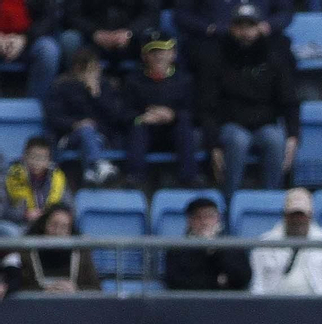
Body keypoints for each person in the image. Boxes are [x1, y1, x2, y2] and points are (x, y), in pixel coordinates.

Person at [198, 6, 299, 195]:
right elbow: (207, 105)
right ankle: (230, 200)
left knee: (276, 139)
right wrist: (213, 145)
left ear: (259, 27)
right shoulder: (216, 57)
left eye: (250, 25)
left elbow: (289, 99)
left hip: (265, 123)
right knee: (238, 140)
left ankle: (272, 200)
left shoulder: (274, 56)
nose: (245, 32)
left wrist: (293, 136)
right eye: (239, 26)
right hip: (230, 124)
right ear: (231, 27)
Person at [122, 31, 199, 188]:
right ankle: (135, 178)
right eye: (153, 52)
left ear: (173, 54)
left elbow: (195, 112)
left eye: (163, 51)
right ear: (144, 56)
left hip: (174, 131)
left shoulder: (185, 80)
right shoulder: (133, 81)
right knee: (137, 127)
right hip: (146, 132)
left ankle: (189, 178)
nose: (158, 56)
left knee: (184, 126)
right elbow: (123, 113)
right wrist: (142, 117)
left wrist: (172, 115)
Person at [44, 45, 122, 186]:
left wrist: (97, 96)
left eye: (95, 69)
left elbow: (115, 116)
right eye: (87, 70)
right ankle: (97, 164)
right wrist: (75, 124)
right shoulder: (61, 87)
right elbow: (54, 117)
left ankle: (90, 172)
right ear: (76, 69)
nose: (92, 74)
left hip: (102, 137)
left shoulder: (105, 87)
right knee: (86, 130)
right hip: (69, 136)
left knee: (90, 131)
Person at [248, 188, 322, 295]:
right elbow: (258, 285)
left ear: (310, 215)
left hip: (317, 305)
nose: (297, 220)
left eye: (301, 215)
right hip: (275, 305)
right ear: (285, 215)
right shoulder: (264, 243)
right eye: (293, 215)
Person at [163, 194, 250, 290]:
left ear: (218, 218)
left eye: (209, 216)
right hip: (192, 303)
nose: (204, 222)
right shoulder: (177, 249)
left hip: (229, 303)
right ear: (190, 221)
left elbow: (242, 278)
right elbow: (176, 282)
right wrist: (217, 280)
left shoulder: (232, 246)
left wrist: (214, 250)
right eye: (198, 217)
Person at [16, 202, 99, 292]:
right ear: (44, 225)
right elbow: (18, 287)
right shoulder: (27, 252)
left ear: (70, 230)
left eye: (64, 227)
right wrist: (42, 291)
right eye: (54, 225)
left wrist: (76, 290)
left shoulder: (81, 253)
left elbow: (96, 288)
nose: (58, 231)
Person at [2, 136, 70, 239]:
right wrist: (24, 214)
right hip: (20, 224)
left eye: (42, 158)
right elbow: (3, 210)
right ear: (24, 157)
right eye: (33, 157)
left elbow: (68, 206)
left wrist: (48, 216)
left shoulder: (58, 178)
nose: (37, 162)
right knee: (12, 233)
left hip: (51, 226)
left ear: (49, 160)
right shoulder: (9, 177)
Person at [1, 0, 65, 103]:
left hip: (30, 40)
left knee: (48, 50)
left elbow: (48, 18)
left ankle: (35, 107)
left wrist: (24, 38)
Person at [66, 0, 155, 66]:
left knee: (151, 37)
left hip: (132, 37)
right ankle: (73, 84)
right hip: (91, 37)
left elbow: (151, 13)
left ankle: (145, 85)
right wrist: (94, 32)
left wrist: (129, 32)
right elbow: (73, 14)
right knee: (69, 39)